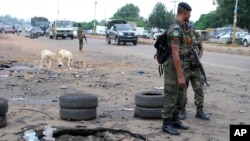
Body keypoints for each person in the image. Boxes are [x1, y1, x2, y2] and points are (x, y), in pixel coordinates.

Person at [161, 2, 192, 135]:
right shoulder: (175, 29)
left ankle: (174, 120)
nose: (190, 15)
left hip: (180, 66)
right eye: (189, 13)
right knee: (171, 94)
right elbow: (174, 53)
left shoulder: (181, 27)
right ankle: (166, 123)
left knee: (180, 94)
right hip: (173, 67)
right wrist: (180, 75)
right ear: (184, 12)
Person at [179, 22, 210, 120]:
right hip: (185, 67)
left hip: (196, 67)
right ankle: (182, 110)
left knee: (199, 88)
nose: (188, 25)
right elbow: (176, 51)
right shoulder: (180, 34)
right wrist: (185, 52)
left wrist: (198, 58)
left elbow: (201, 48)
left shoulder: (195, 34)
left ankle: (199, 111)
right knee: (183, 89)